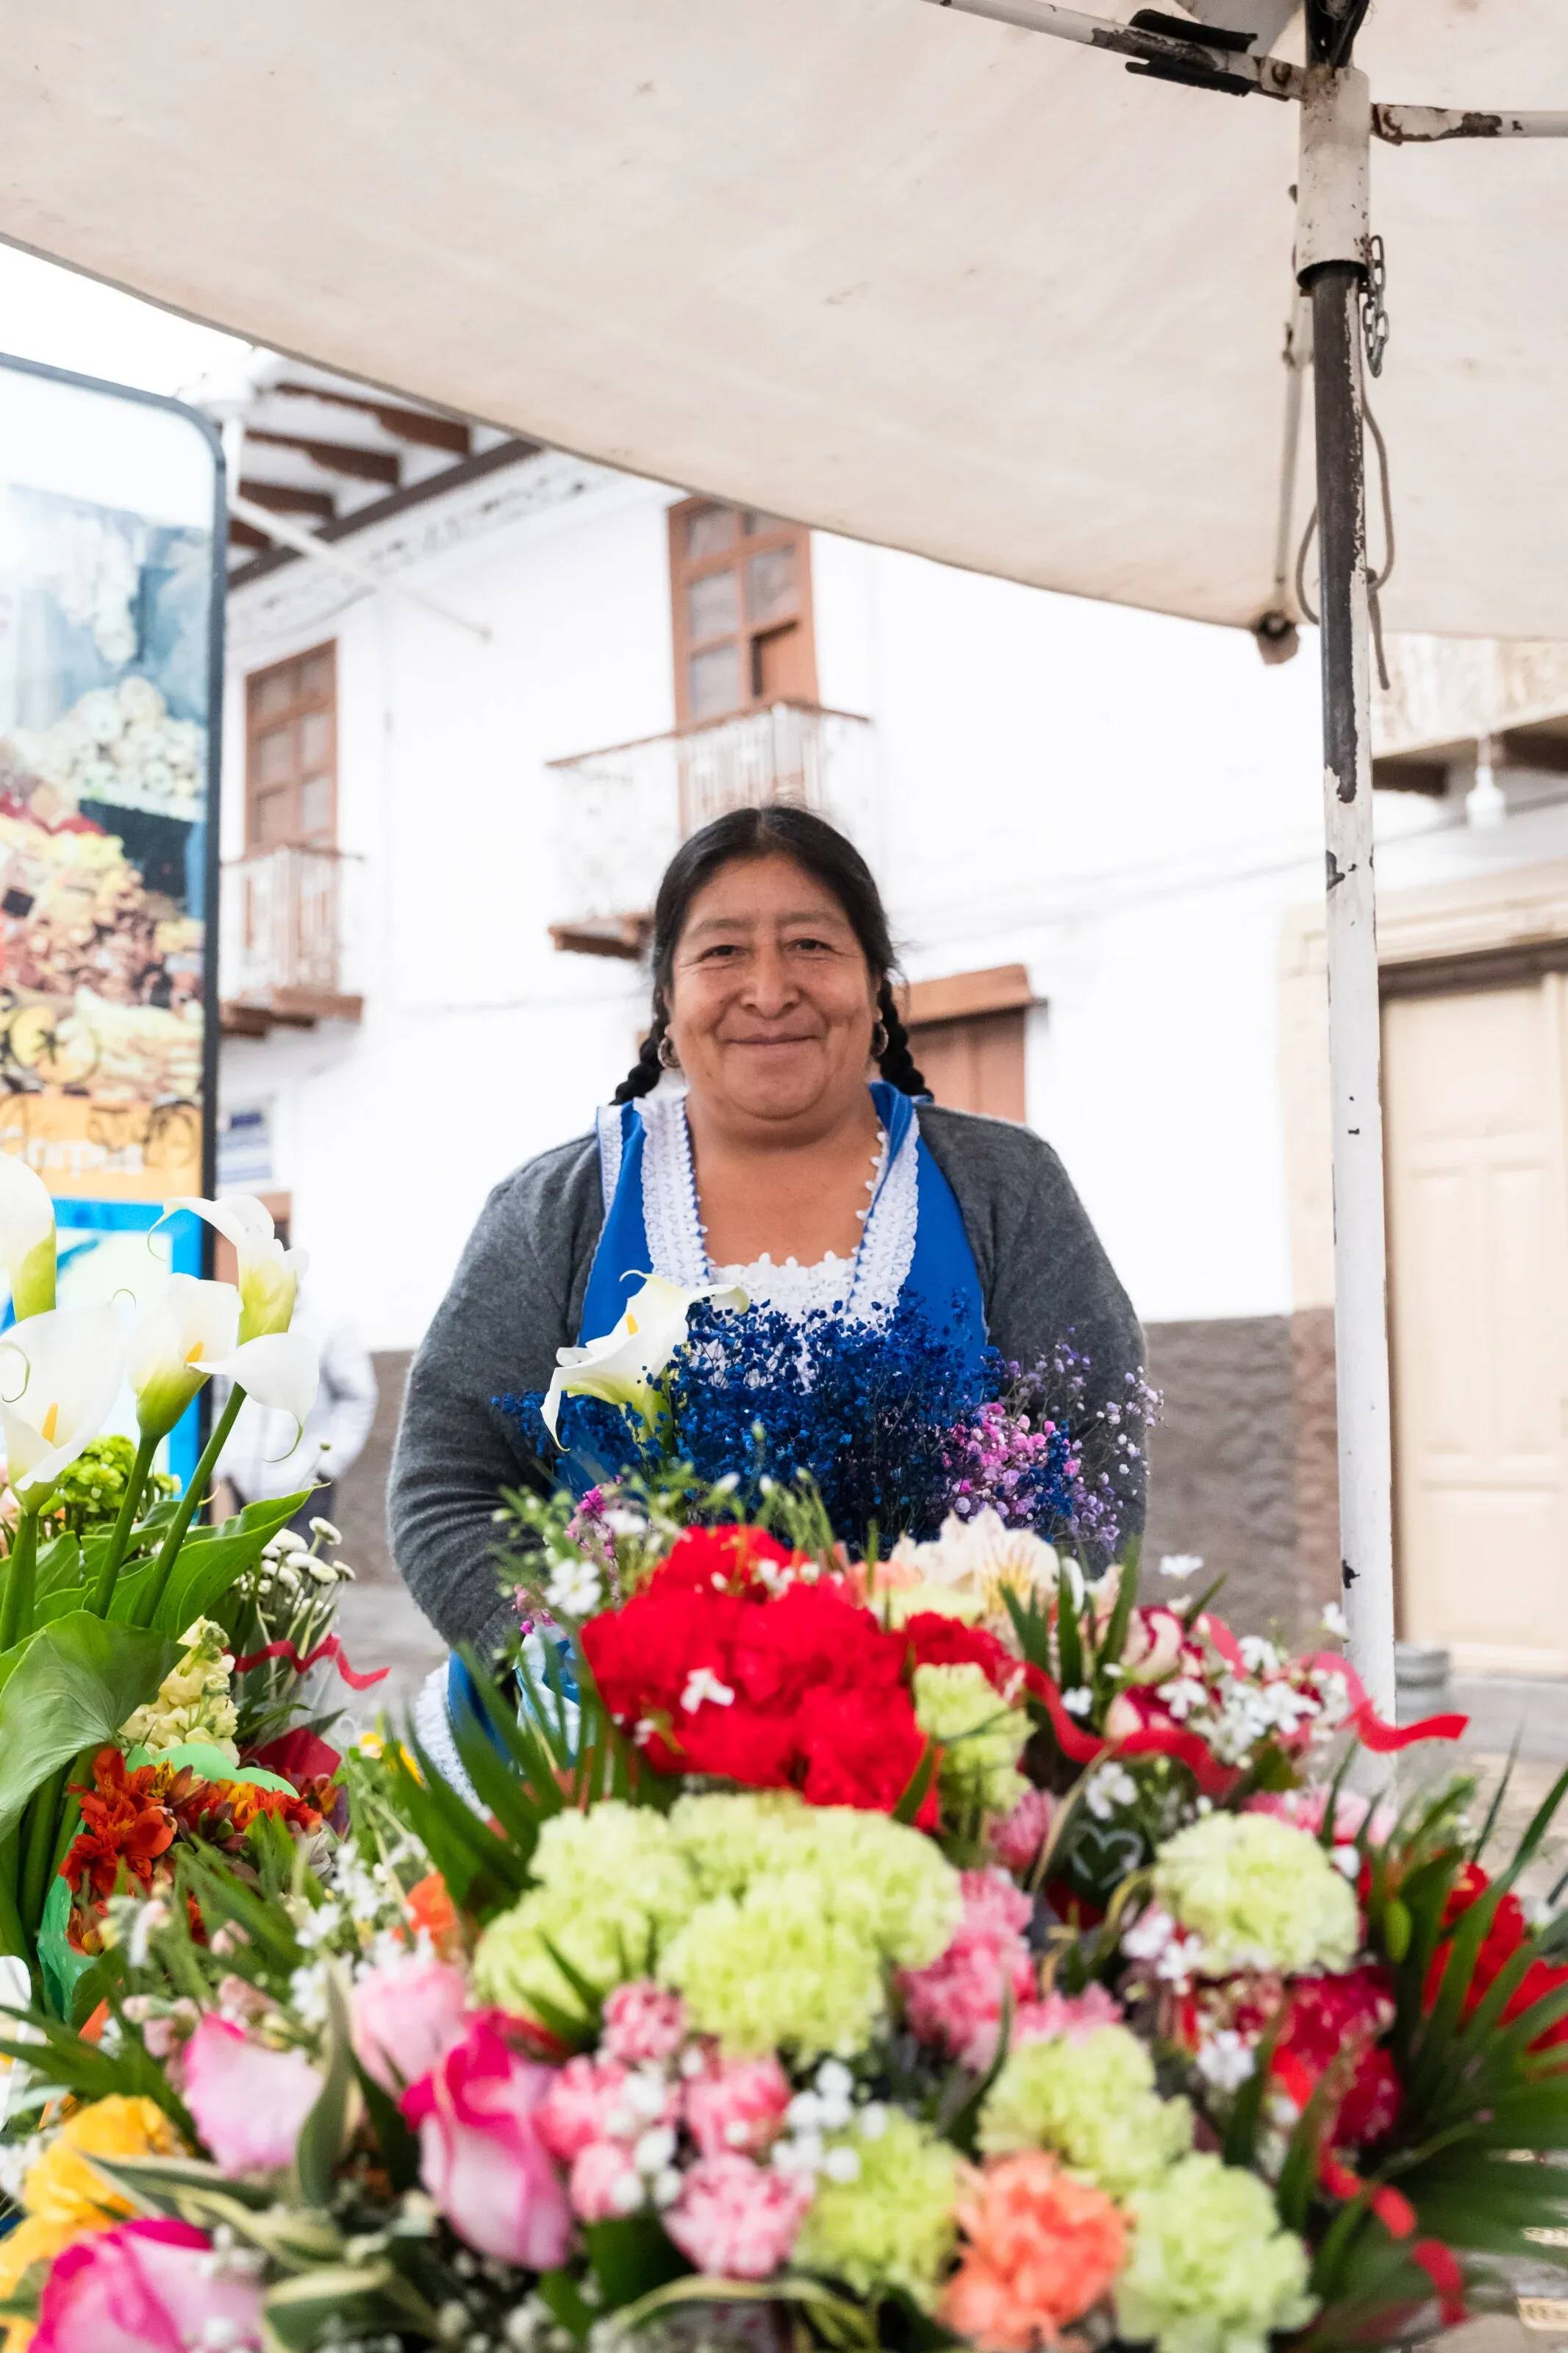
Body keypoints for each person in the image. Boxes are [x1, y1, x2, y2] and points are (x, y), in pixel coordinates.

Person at [390, 804, 1145, 1668]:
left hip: (940, 1755)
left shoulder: (1007, 1187)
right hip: (607, 1761)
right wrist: (575, 1666)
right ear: (667, 998)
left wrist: (985, 1675)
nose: (770, 989)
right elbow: (448, 1483)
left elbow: (1092, 1467)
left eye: (811, 945)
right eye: (722, 952)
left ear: (876, 984)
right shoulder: (556, 1208)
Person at [216, 1275, 379, 1538]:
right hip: (244, 1487)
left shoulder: (329, 1323)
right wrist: (227, 1463)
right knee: (247, 1576)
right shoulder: (235, 1324)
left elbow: (357, 1396)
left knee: (297, 1575)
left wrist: (326, 1464)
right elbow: (219, 1394)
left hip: (304, 1488)